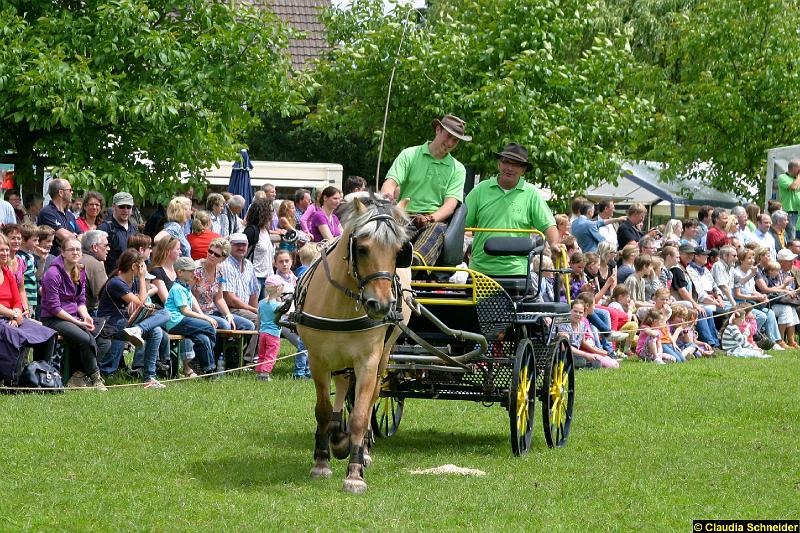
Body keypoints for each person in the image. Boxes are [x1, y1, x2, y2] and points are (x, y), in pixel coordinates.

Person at [381, 114, 472, 266]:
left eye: (455, 140)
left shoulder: (458, 169)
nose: (450, 143)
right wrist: (387, 197)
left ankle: (413, 263)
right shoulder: (409, 154)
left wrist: (430, 218)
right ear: (438, 130)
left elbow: (450, 205)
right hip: (402, 215)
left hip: (432, 221)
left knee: (438, 229)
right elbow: (390, 183)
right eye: (448, 136)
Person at [464, 143, 559, 276]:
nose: (509, 168)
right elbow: (462, 222)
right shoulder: (480, 190)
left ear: (523, 170)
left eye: (515, 164)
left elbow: (548, 225)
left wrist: (554, 243)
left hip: (517, 272)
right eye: (506, 162)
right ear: (499, 164)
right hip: (480, 271)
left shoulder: (531, 194)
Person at [40, 237, 111, 390]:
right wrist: (77, 322)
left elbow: (80, 300)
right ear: (63, 253)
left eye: (78, 249)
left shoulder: (79, 269)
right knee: (86, 339)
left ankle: (77, 376)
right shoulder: (53, 273)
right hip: (54, 318)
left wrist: (85, 316)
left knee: (104, 339)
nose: (75, 252)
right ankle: (95, 377)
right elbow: (54, 308)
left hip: (75, 317)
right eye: (71, 249)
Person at [96, 249, 169, 387]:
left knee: (159, 328)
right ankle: (139, 329)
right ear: (134, 267)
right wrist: (142, 278)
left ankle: (149, 378)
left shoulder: (133, 282)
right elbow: (141, 302)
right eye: (142, 266)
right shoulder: (116, 282)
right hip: (111, 325)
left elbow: (140, 304)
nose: (144, 270)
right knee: (164, 316)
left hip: (126, 323)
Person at [0, 234, 56, 385]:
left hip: (13, 317)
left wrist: (16, 314)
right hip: (4, 318)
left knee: (47, 334)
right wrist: (13, 314)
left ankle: (41, 376)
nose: (5, 253)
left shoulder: (7, 273)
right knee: (17, 336)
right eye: (1, 250)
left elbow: (17, 300)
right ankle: (13, 380)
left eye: (6, 249)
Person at [165, 256, 219, 376]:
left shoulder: (184, 287)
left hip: (182, 321)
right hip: (176, 321)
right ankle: (203, 364)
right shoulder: (177, 289)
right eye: (190, 271)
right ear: (180, 272)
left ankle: (205, 369)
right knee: (209, 327)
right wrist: (206, 317)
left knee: (203, 339)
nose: (193, 273)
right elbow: (185, 311)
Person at [193, 237, 254, 331]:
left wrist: (227, 314)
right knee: (225, 325)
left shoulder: (220, 271)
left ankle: (235, 346)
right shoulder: (196, 267)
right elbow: (187, 293)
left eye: (216, 255)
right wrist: (201, 314)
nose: (212, 255)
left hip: (214, 311)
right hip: (198, 312)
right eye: (210, 251)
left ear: (223, 259)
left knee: (249, 325)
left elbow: (219, 298)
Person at [219, 233, 260, 361]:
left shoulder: (249, 264)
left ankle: (259, 356)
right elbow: (229, 298)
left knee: (264, 318)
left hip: (244, 309)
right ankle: (249, 359)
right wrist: (254, 311)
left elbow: (254, 293)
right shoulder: (226, 265)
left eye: (244, 244)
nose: (241, 247)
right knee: (259, 319)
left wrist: (256, 309)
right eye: (237, 244)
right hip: (229, 309)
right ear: (230, 246)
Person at [558, 300, 619, 369]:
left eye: (580, 312)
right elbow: (564, 346)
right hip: (563, 353)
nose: (578, 314)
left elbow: (583, 342)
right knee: (581, 361)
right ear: (570, 311)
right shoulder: (564, 325)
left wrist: (598, 351)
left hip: (577, 354)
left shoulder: (582, 325)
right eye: (575, 311)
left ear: (583, 313)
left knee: (597, 363)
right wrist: (585, 354)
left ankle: (581, 366)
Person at [36, 178, 82, 256]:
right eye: (70, 190)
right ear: (61, 193)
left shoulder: (70, 215)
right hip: (51, 260)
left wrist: (75, 237)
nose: (72, 192)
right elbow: (63, 235)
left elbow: (81, 235)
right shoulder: (47, 212)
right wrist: (74, 236)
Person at [98, 192, 139, 274]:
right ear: (114, 206)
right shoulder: (105, 228)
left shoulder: (134, 228)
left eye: (129, 207)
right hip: (113, 278)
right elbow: (98, 258)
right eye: (122, 206)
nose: (126, 210)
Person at [255, 274, 285, 381]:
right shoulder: (277, 306)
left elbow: (258, 318)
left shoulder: (261, 303)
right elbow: (282, 317)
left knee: (262, 353)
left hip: (263, 333)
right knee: (271, 354)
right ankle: (265, 374)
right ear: (278, 288)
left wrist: (259, 329)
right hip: (273, 334)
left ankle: (259, 371)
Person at [244, 199, 276, 296]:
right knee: (253, 309)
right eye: (271, 211)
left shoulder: (265, 230)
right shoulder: (251, 231)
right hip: (254, 277)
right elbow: (241, 253)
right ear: (264, 212)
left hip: (268, 278)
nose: (273, 213)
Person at [79, 230, 110, 315]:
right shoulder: (95, 265)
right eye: (106, 245)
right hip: (90, 313)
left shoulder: (76, 259)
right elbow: (105, 296)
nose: (108, 249)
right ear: (95, 247)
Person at [17, 224, 39, 319]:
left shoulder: (30, 257)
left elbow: (36, 278)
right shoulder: (20, 257)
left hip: (33, 299)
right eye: (34, 240)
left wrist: (42, 260)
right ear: (23, 240)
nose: (37, 243)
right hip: (25, 299)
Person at [776, 159, 800, 240]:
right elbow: (793, 187)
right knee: (792, 237)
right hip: (790, 212)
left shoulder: (797, 179)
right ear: (793, 168)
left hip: (798, 211)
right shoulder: (782, 177)